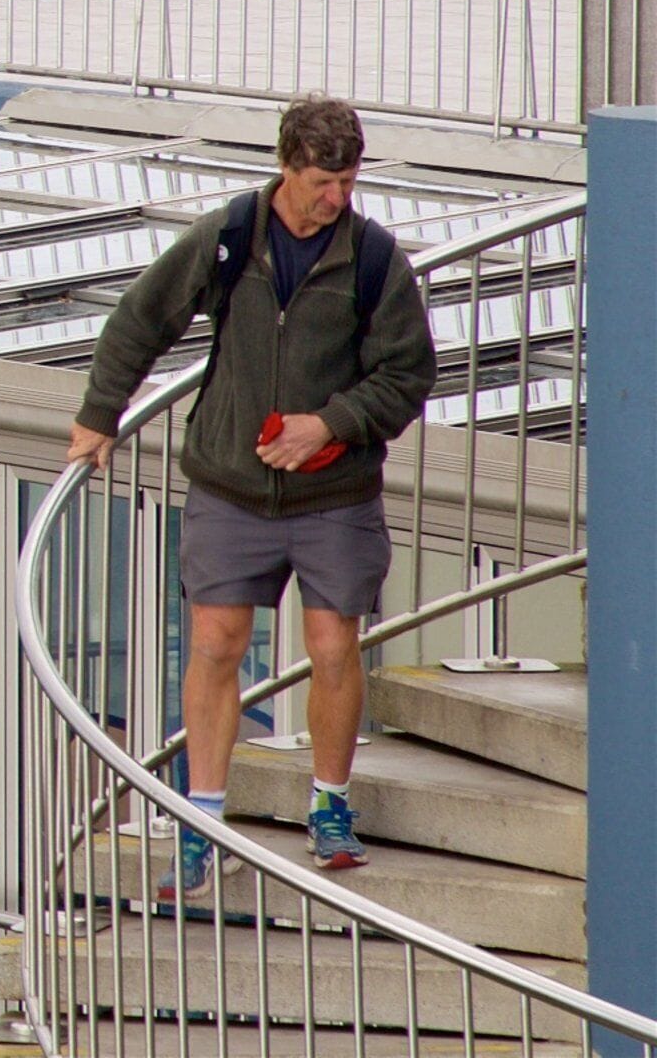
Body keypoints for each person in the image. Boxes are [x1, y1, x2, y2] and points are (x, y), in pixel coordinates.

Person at [63, 96, 434, 889]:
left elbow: (409, 377)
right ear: (285, 167)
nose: (336, 196)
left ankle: (330, 804)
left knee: (334, 646)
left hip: (334, 492)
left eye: (347, 178)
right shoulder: (229, 238)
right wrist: (100, 416)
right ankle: (201, 819)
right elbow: (141, 319)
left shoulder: (374, 260)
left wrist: (328, 422)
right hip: (230, 486)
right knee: (215, 645)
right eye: (321, 181)